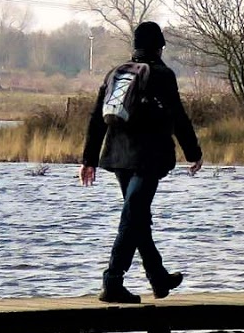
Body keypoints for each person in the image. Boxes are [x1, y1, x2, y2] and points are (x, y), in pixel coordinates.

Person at [79, 21, 203, 303]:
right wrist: (193, 153)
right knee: (133, 216)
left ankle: (158, 277)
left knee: (137, 216)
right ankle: (112, 281)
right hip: (148, 157)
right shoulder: (162, 75)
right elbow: (178, 117)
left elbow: (97, 118)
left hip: (117, 155)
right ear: (159, 48)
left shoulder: (116, 72)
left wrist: (89, 159)